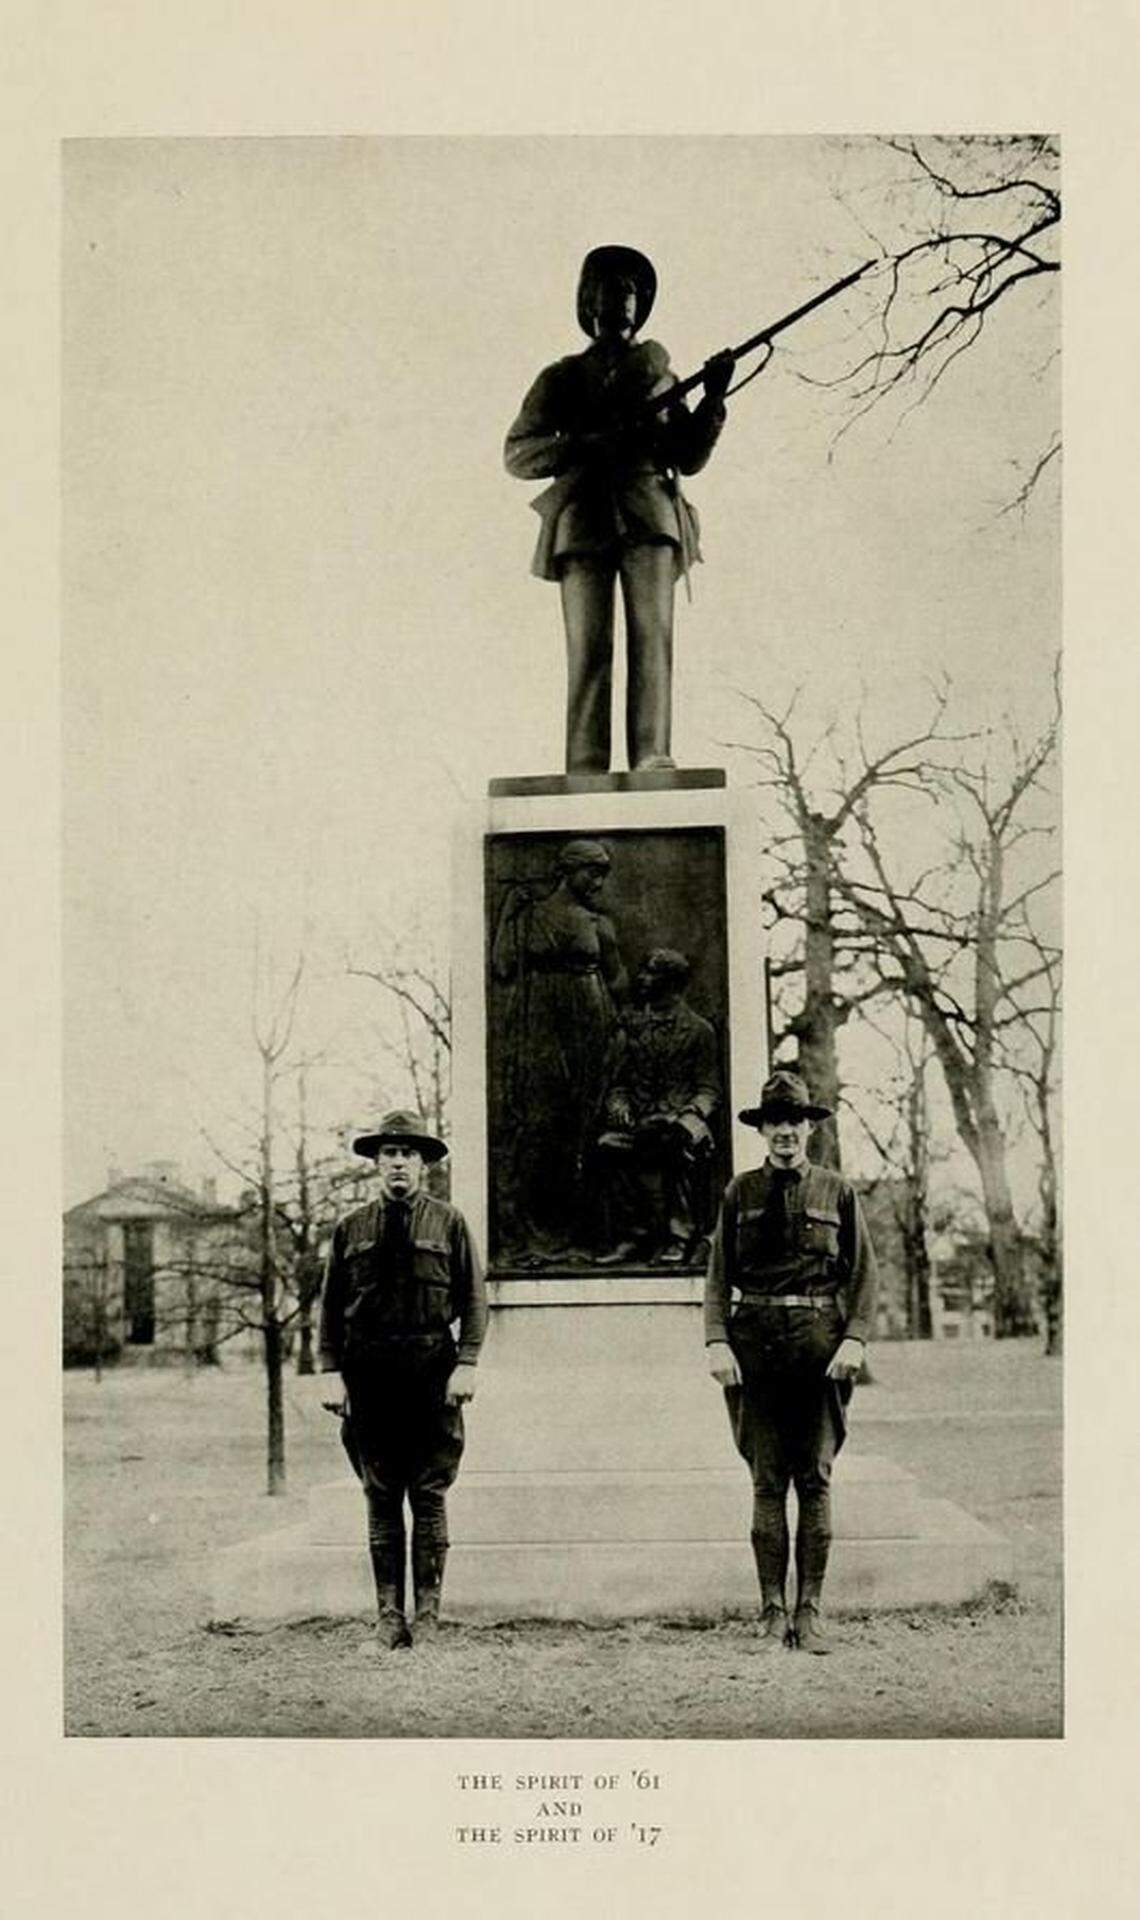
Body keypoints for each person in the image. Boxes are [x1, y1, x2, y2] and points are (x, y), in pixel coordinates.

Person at [504, 244, 733, 774]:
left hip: (651, 516)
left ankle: (652, 754)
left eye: (630, 289)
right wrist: (585, 445)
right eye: (609, 287)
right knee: (588, 648)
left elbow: (689, 457)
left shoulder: (661, 376)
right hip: (582, 519)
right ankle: (585, 765)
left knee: (652, 639)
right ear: (589, 300)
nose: (621, 297)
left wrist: (713, 399)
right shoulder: (561, 378)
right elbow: (518, 453)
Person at [703, 1070, 878, 1654]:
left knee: (816, 1478)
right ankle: (771, 1612)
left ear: (809, 1128)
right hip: (754, 1348)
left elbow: (863, 1273)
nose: (785, 1133)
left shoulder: (837, 1192)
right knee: (766, 1480)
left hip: (819, 1348)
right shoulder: (739, 1193)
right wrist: (716, 1341)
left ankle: (812, 1611)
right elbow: (717, 1276)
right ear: (763, 1131)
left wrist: (853, 1338)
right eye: (774, 1122)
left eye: (794, 1122)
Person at [318, 1110, 488, 1651]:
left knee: (431, 1492)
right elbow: (328, 1309)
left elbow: (474, 1300)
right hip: (369, 1375)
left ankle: (431, 1617)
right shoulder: (350, 1229)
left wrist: (468, 1362)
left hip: (431, 1372)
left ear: (424, 1165)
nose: (398, 1163)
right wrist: (330, 1372)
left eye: (408, 1154)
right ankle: (390, 1617)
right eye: (388, 1154)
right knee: (381, 1496)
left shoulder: (450, 1223)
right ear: (375, 1164)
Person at [490, 838, 626, 1263]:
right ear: (568, 870)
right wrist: (507, 916)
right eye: (592, 872)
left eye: (604, 873)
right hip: (541, 1027)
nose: (599, 882)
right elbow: (503, 966)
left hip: (590, 1022)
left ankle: (584, 1235)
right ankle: (534, 1235)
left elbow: (617, 980)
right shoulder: (528, 915)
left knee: (583, 1126)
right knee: (541, 1125)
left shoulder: (598, 924)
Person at [595, 947, 720, 1265]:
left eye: (650, 973)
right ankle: (632, 1236)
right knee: (607, 1146)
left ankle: (679, 1237)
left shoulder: (699, 1031)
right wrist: (618, 1102)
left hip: (680, 1124)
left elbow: (708, 1089)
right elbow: (618, 1083)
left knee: (675, 1144)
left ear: (671, 982)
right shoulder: (631, 1028)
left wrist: (690, 1114)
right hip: (640, 1126)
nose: (642, 979)